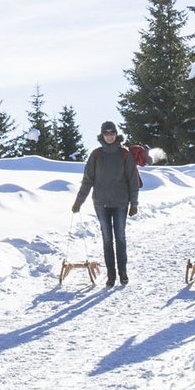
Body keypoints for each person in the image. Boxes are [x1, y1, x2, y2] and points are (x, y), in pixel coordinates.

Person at [72, 120, 142, 286]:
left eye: (112, 133)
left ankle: (122, 272)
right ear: (102, 135)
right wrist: (78, 202)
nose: (109, 136)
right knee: (106, 238)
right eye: (106, 133)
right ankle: (111, 275)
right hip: (101, 203)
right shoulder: (96, 155)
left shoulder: (124, 154)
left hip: (121, 202)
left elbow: (133, 180)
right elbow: (87, 180)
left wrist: (134, 203)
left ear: (116, 134)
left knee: (120, 237)